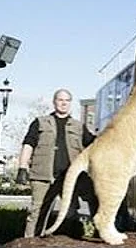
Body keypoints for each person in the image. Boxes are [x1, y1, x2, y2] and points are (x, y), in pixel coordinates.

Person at [15, 88, 98, 238]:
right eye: (60, 100)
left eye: (67, 100)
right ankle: (31, 242)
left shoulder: (79, 126)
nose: (63, 103)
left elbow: (94, 145)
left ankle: (96, 233)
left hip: (71, 177)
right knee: (37, 212)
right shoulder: (40, 122)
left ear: (70, 103)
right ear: (54, 102)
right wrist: (22, 167)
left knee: (91, 199)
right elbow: (28, 144)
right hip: (44, 177)